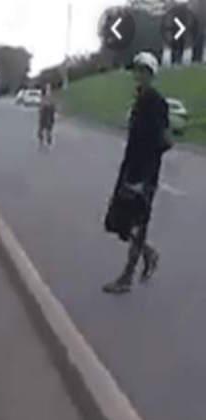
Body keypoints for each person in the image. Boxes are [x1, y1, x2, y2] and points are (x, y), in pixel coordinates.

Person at [102, 51, 170, 294]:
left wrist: (141, 177)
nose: (138, 75)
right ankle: (148, 254)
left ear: (151, 74)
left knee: (136, 222)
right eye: (137, 70)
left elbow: (159, 141)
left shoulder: (155, 101)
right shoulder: (140, 99)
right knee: (118, 222)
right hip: (131, 169)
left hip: (143, 174)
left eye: (143, 71)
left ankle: (127, 277)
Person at [38, 84, 56, 149]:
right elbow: (41, 106)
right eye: (47, 88)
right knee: (40, 130)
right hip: (43, 115)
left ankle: (49, 143)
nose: (48, 90)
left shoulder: (51, 97)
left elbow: (53, 107)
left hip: (49, 115)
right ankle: (41, 142)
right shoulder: (43, 97)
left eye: (49, 88)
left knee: (49, 131)